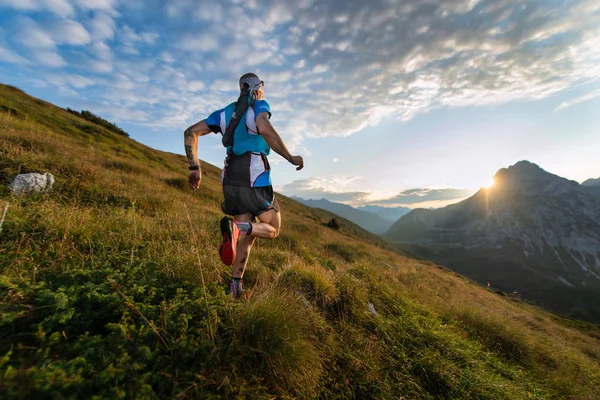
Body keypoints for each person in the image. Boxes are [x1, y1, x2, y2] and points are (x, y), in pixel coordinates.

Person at [183, 73, 304, 298]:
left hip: (230, 177)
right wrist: (289, 156)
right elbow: (265, 128)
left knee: (246, 236)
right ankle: (238, 229)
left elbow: (190, 132)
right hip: (254, 176)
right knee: (273, 227)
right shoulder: (259, 104)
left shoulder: (225, 113)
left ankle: (235, 288)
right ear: (258, 87)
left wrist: (194, 167)